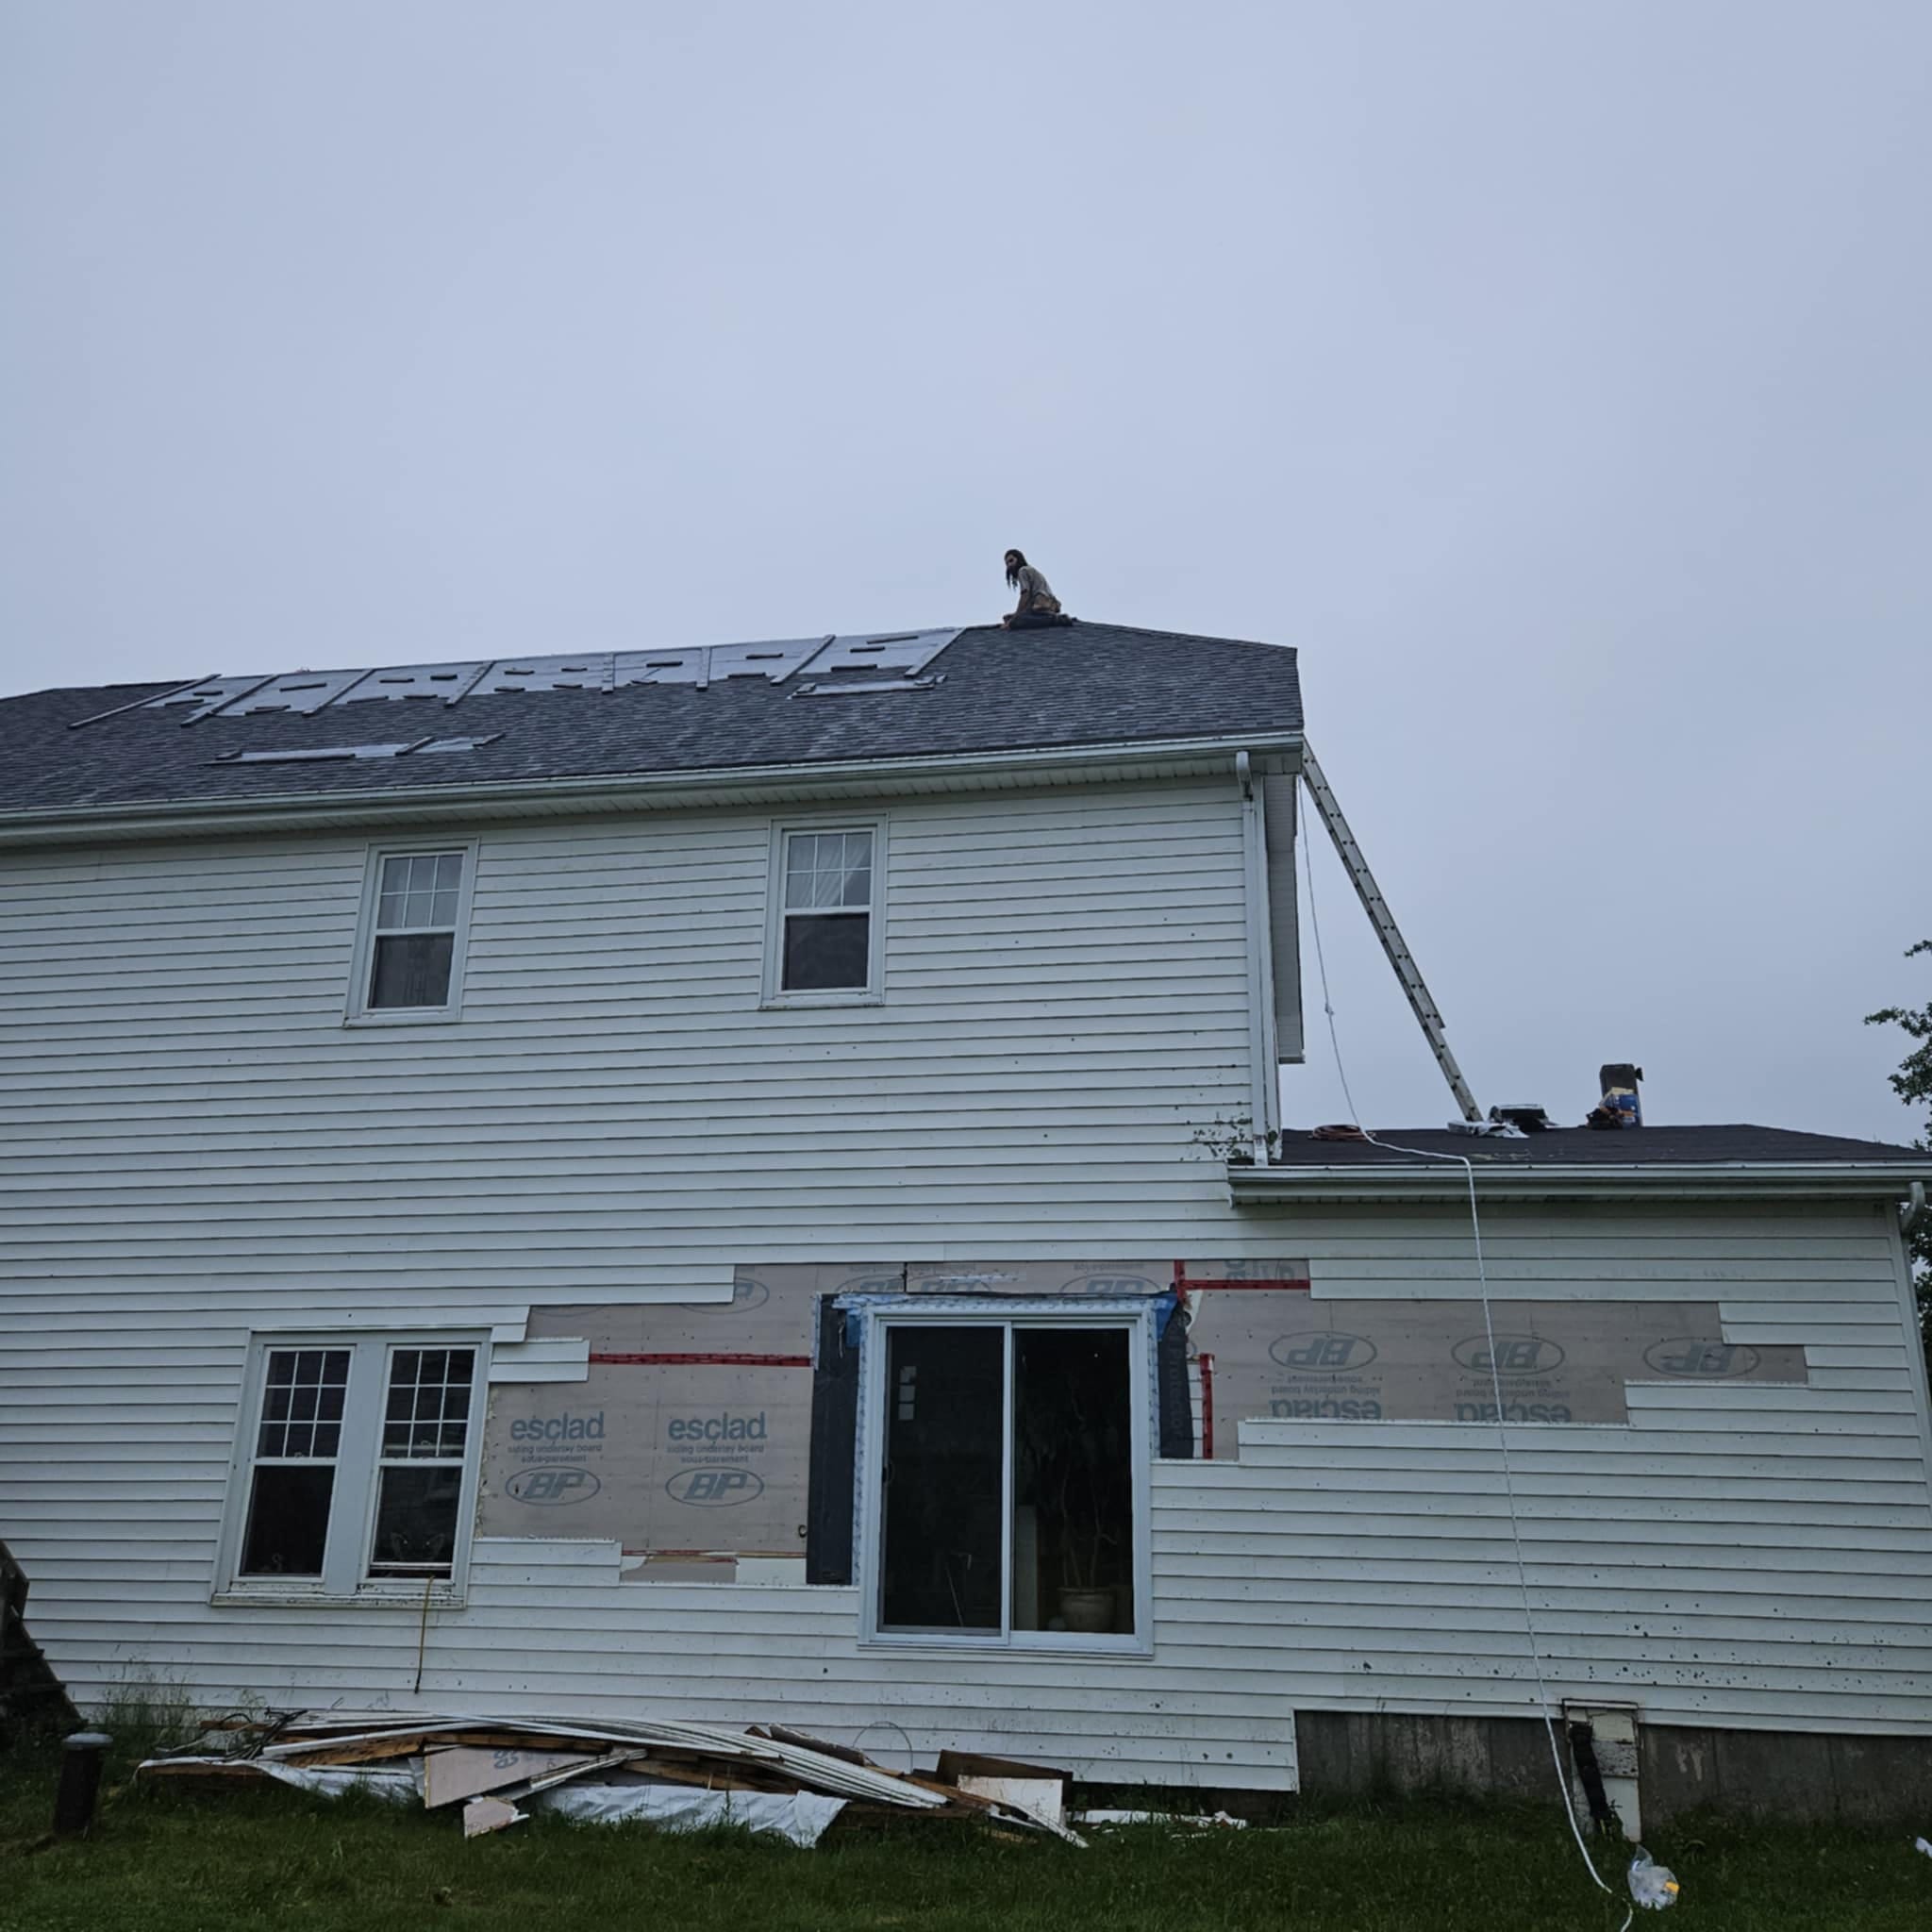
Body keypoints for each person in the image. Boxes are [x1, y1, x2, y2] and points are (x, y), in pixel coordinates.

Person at [1001, 550, 1074, 628]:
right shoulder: (1030, 570)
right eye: (1007, 564)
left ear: (1019, 559)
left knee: (1015, 622)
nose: (1009, 565)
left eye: (1011, 561)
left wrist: (1015, 617)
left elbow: (1025, 595)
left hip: (1041, 606)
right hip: (1045, 606)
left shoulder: (1022, 571)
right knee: (1007, 618)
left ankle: (1057, 620)